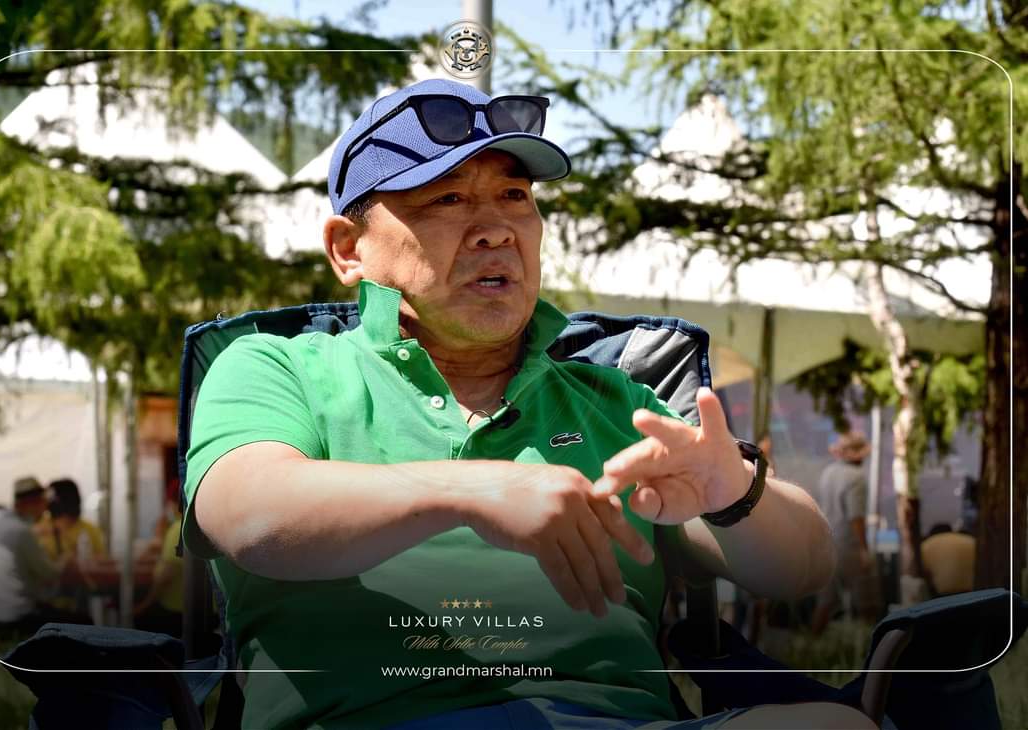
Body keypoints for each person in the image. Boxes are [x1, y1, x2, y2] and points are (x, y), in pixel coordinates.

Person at [184, 79, 873, 729]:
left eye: (515, 195)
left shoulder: (619, 403)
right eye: (447, 199)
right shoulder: (279, 369)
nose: (496, 229)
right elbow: (247, 514)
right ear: (347, 249)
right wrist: (472, 491)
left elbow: (804, 568)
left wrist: (734, 491)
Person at [0, 476, 89, 636]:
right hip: (13, 615)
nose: (46, 508)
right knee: (85, 623)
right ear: (33, 503)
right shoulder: (22, 532)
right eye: (43, 502)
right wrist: (65, 558)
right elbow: (50, 573)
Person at [811, 431, 880, 635]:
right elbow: (856, 517)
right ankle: (870, 646)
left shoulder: (828, 472)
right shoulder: (857, 478)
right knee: (867, 604)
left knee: (825, 602)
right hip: (849, 545)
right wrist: (864, 549)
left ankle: (811, 643)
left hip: (828, 544)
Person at [133, 501, 184, 637]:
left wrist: (144, 605)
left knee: (139, 617)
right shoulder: (183, 528)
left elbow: (165, 577)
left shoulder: (177, 529)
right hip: (193, 610)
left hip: (176, 611)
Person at [34, 478, 107, 563]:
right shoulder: (38, 528)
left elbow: (101, 560)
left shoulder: (90, 530)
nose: (45, 501)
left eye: (49, 497)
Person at [920, 523, 976, 596]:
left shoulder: (926, 545)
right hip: (973, 592)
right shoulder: (970, 540)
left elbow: (925, 572)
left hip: (942, 594)